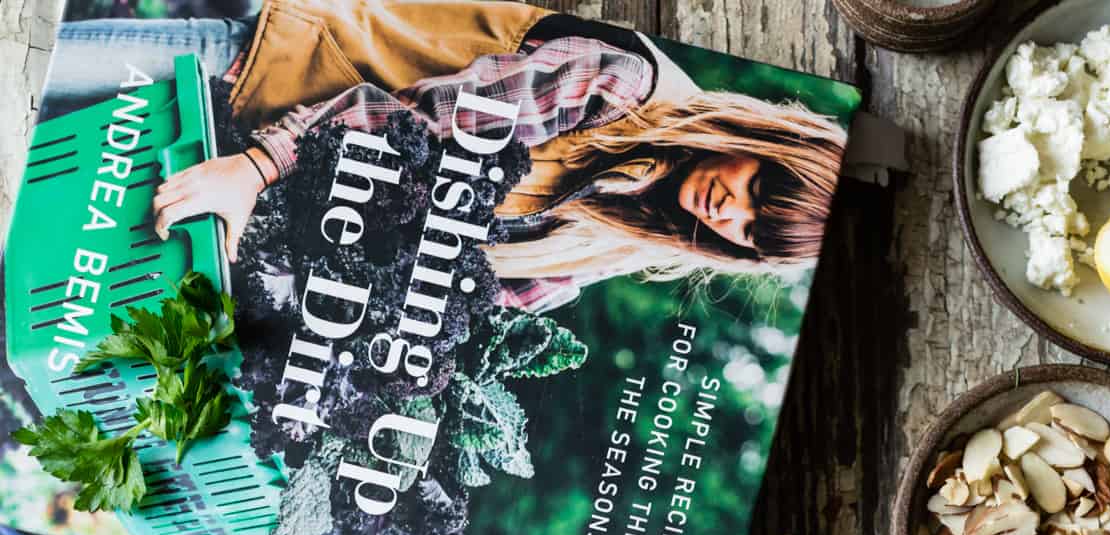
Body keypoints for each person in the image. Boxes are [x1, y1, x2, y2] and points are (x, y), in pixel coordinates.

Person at [48, 1, 849, 312]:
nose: (731, 212)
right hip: (252, 75)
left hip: (232, 200)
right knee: (40, 85)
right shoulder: (622, 87)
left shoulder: (616, 236)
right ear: (760, 143)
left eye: (751, 233)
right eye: (759, 190)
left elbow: (479, 302)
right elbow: (411, 125)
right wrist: (253, 171)